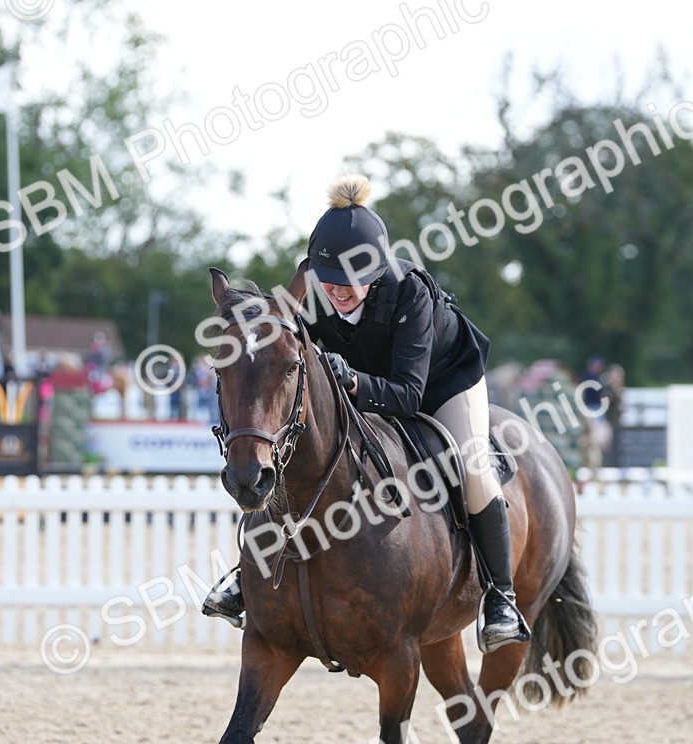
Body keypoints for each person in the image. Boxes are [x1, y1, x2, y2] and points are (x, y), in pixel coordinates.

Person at [203, 174, 528, 651]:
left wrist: (350, 380)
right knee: (289, 456)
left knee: (473, 463)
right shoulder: (310, 292)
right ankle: (246, 572)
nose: (339, 292)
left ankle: (501, 596)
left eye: (352, 282)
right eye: (329, 282)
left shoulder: (410, 294)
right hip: (362, 382)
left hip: (439, 381)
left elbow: (408, 396)